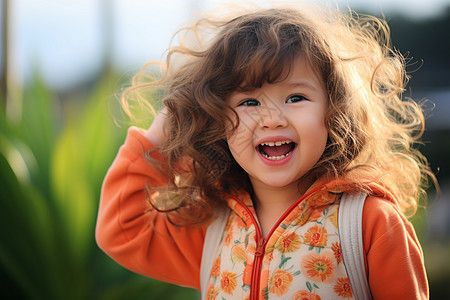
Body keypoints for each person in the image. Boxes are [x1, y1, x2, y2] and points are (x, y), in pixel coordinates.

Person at [96, 3, 436, 299]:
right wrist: (171, 122)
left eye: (295, 97)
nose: (272, 119)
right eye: (248, 102)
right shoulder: (213, 228)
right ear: (217, 120)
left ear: (335, 112)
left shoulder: (368, 223)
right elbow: (122, 229)